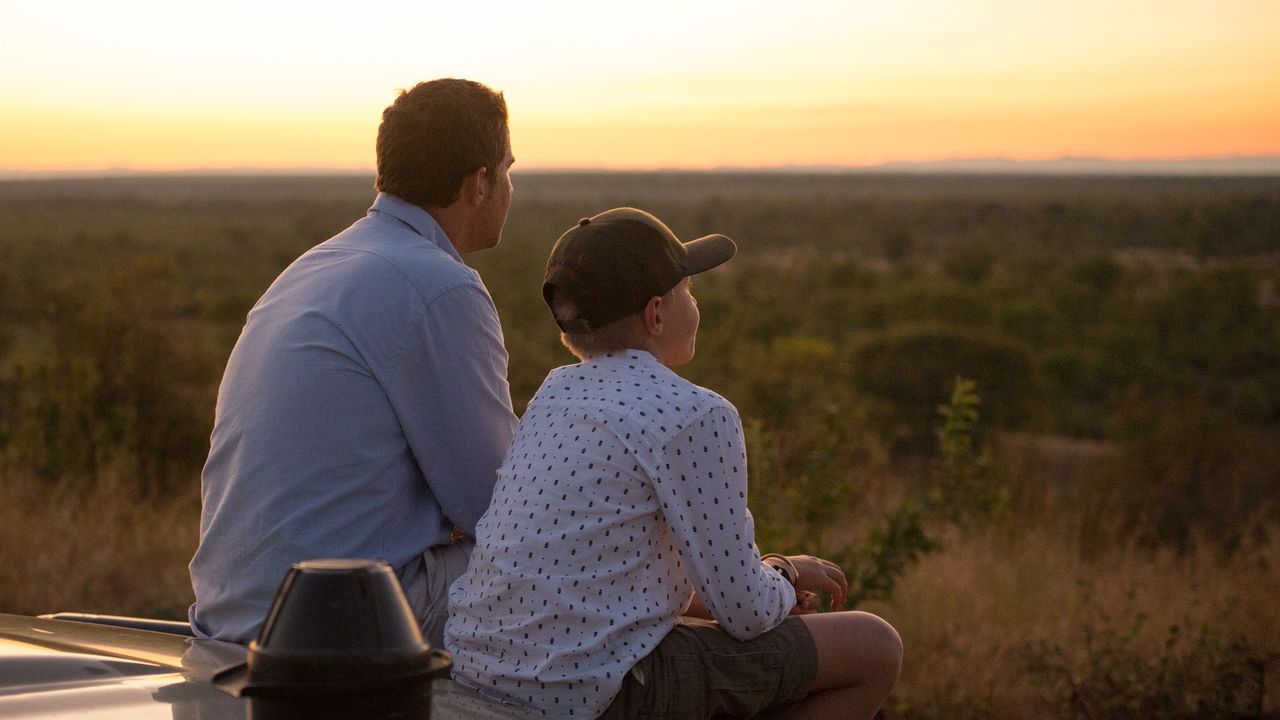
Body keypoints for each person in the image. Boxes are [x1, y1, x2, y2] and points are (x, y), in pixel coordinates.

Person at [446, 208, 902, 719]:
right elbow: (746, 613)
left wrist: (766, 582)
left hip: (485, 674)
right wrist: (785, 572)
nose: (697, 305)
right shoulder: (696, 414)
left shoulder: (555, 395)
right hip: (594, 693)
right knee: (872, 645)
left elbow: (614, 579)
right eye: (689, 291)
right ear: (657, 313)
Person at [189, 78, 519, 648]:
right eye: (508, 169)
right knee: (557, 554)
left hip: (234, 616)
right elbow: (498, 503)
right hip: (341, 620)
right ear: (479, 183)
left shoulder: (315, 268)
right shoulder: (439, 287)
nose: (513, 187)